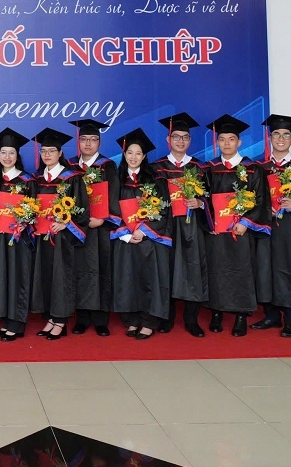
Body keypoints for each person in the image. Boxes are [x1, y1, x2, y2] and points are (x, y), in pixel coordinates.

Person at [202, 114, 271, 337]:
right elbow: (203, 198)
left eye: (231, 139)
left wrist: (245, 223)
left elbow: (261, 199)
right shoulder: (209, 169)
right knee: (216, 269)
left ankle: (241, 315)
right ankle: (216, 312)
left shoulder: (252, 169)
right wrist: (209, 222)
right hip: (216, 231)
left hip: (241, 231)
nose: (227, 143)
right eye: (222, 139)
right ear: (217, 142)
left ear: (239, 142)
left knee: (241, 270)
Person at [252, 114, 291, 338]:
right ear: (270, 138)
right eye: (276, 134)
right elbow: (250, 198)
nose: (281, 139)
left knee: (290, 268)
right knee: (265, 267)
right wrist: (264, 210)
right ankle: (271, 315)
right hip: (266, 226)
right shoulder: (259, 167)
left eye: (286, 135)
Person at [110, 128, 172, 340]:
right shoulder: (116, 180)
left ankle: (148, 321)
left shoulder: (155, 180)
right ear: (124, 154)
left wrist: (143, 231)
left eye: (138, 153)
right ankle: (131, 320)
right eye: (130, 153)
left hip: (149, 240)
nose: (134, 157)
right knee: (128, 279)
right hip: (125, 239)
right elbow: (111, 210)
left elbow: (163, 210)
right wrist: (126, 234)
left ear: (144, 156)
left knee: (149, 279)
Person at [151, 112, 209, 338]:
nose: (180, 141)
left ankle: (191, 319)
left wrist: (200, 203)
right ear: (168, 139)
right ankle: (167, 317)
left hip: (191, 227)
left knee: (192, 269)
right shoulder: (157, 168)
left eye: (185, 137)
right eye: (176, 136)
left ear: (190, 140)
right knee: (167, 269)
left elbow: (211, 198)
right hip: (166, 227)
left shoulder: (199, 167)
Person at [30, 127, 90, 341]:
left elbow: (82, 209)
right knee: (45, 274)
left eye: (51, 151)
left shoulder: (71, 178)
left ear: (60, 153)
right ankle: (49, 317)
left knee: (61, 276)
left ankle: (61, 321)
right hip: (42, 237)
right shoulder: (37, 179)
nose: (47, 154)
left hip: (62, 239)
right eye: (43, 151)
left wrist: (66, 224)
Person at [68, 118, 121, 337]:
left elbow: (114, 194)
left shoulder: (108, 166)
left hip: (100, 229)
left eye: (93, 139)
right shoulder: (70, 166)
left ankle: (101, 319)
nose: (88, 143)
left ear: (99, 142)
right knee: (79, 271)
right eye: (84, 139)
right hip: (77, 230)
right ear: (78, 142)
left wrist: (103, 219)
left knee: (101, 270)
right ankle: (81, 318)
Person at [0, 128, 36, 342]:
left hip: (19, 238)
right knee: (1, 277)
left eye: (12, 153)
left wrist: (25, 222)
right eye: (4, 152)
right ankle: (6, 320)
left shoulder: (27, 181)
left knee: (18, 277)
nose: (7, 157)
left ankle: (17, 323)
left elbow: (35, 210)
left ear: (18, 155)